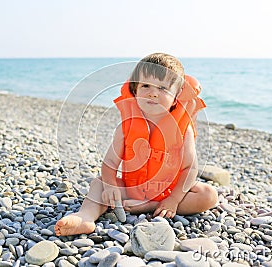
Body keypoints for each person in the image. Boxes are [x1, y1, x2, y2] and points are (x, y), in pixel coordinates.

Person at [55, 53, 218, 236]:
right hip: (131, 190)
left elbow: (190, 168)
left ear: (176, 96)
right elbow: (109, 164)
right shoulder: (126, 127)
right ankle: (85, 217)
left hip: (168, 192)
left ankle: (153, 206)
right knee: (98, 184)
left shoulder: (183, 130)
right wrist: (110, 186)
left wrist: (173, 200)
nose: (153, 93)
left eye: (163, 88)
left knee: (208, 195)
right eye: (145, 85)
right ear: (135, 89)